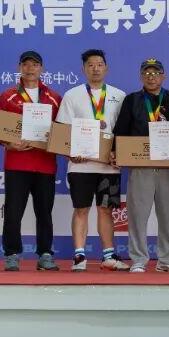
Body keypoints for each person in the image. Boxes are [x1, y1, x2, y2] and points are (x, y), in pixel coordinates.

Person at [57, 49, 129, 271]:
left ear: (106, 68)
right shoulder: (72, 95)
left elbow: (124, 130)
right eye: (90, 65)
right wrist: (70, 152)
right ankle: (79, 255)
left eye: (99, 64)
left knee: (106, 209)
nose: (95, 68)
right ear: (83, 69)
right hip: (81, 165)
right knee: (81, 209)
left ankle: (108, 255)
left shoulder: (119, 95)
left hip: (109, 167)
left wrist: (120, 154)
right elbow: (63, 131)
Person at [114, 58, 169, 273]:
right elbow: (121, 131)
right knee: (137, 215)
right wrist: (117, 152)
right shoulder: (132, 100)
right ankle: (138, 259)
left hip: (167, 167)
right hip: (140, 166)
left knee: (167, 216)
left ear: (164, 76)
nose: (151, 77)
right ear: (141, 76)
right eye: (147, 73)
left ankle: (167, 259)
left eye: (155, 73)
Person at [0, 50, 62, 272]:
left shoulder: (54, 97)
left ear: (41, 68)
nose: (30, 68)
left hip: (45, 164)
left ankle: (45, 254)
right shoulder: (8, 95)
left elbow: (63, 130)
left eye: (35, 64)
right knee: (13, 212)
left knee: (44, 212)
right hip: (17, 162)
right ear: (19, 67)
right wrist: (9, 144)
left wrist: (56, 138)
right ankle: (11, 254)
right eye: (26, 64)